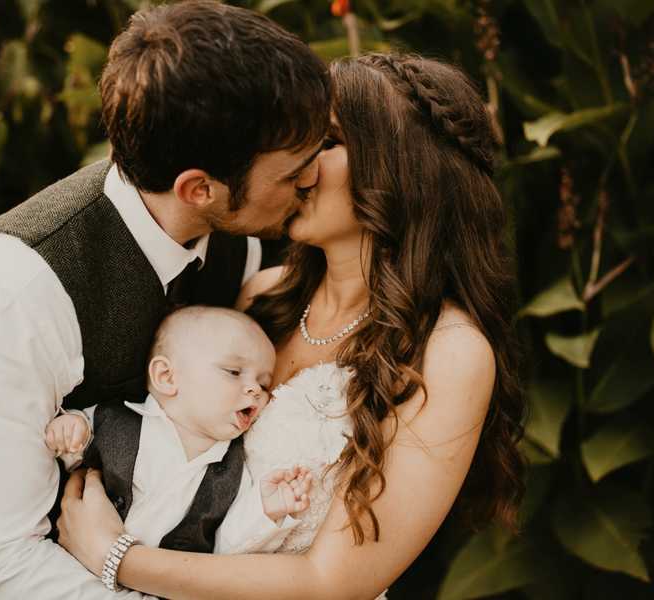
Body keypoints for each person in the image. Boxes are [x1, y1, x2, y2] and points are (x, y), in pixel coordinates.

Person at [56, 52, 527, 599]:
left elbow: (333, 581)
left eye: (324, 142)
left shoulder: (448, 352)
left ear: (398, 168)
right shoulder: (262, 298)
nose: (295, 163)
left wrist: (117, 557)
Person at [0, 2, 331, 598]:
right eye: (293, 173)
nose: (312, 180)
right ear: (199, 189)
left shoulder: (232, 235)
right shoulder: (21, 286)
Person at [45, 306, 314, 562]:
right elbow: (73, 456)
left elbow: (227, 546)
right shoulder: (115, 420)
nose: (255, 390)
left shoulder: (234, 469)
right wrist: (71, 428)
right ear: (167, 376)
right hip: (72, 569)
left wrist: (264, 510)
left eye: (264, 384)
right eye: (234, 372)